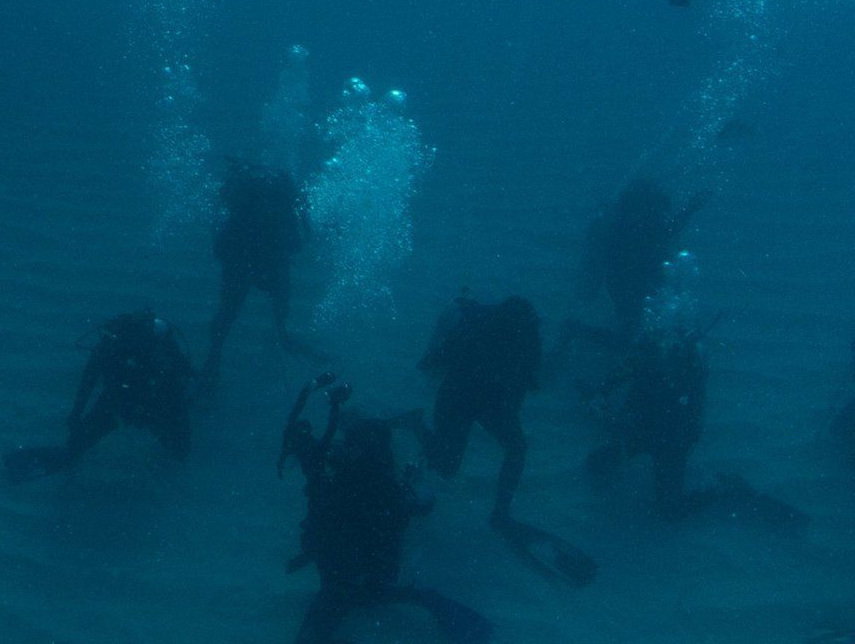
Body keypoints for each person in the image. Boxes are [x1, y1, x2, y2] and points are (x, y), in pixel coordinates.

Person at [280, 375, 494, 644]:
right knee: (360, 594)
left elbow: (314, 462)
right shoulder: (381, 485)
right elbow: (420, 507)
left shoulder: (343, 480)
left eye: (351, 444)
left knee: (333, 606)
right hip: (365, 577)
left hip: (345, 577)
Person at [414, 293, 595, 586]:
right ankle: (415, 425)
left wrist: (509, 415)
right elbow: (435, 362)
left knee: (517, 448)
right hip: (458, 396)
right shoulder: (476, 333)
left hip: (491, 401)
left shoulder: (526, 339)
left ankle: (500, 513)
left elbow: (526, 381)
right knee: (446, 468)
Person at [585, 320, 805, 530]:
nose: (649, 358)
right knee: (596, 465)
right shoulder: (642, 358)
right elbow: (609, 384)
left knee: (671, 510)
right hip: (641, 433)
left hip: (670, 443)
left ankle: (726, 488)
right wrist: (601, 402)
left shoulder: (687, 372)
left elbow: (689, 421)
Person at [4, 310, 192, 482]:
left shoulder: (159, 348)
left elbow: (180, 379)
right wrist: (76, 413)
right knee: (73, 449)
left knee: (179, 450)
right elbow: (89, 377)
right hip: (118, 402)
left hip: (153, 403)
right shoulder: (110, 344)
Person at [205, 159, 316, 382]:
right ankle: (282, 334)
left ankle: (213, 358)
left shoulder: (240, 184)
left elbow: (221, 214)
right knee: (280, 300)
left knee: (228, 309)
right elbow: (303, 219)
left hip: (239, 254)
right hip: (273, 254)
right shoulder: (284, 184)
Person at [570, 180, 708, 349]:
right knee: (632, 333)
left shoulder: (623, 225)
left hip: (631, 277)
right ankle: (576, 330)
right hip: (631, 278)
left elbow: (665, 233)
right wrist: (689, 209)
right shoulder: (636, 226)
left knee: (634, 329)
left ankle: (577, 330)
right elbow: (666, 232)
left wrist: (689, 210)